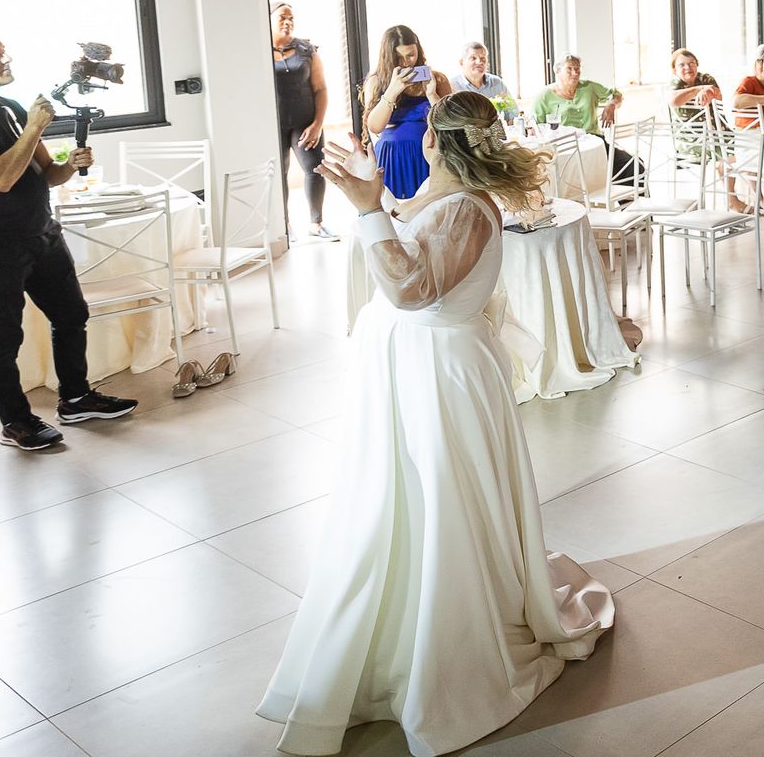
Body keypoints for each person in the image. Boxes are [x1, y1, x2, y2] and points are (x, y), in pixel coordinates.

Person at [258, 93, 611, 755]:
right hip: (418, 369)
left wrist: (367, 210)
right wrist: (379, 202)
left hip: (439, 377)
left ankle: (445, 626)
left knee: (440, 497)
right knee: (405, 499)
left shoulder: (462, 211)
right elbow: (415, 256)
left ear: (435, 144)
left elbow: (411, 289)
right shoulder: (443, 201)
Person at [0, 28, 138, 451]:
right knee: (5, 333)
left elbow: (46, 173)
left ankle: (76, 398)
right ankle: (16, 422)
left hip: (41, 232)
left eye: (4, 50)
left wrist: (68, 161)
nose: (6, 58)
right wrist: (36, 127)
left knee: (72, 313)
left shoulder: (12, 107)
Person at [360, 24, 451, 200]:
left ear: (419, 51)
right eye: (398, 57)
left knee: (432, 211)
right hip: (393, 156)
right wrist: (392, 91)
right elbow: (375, 127)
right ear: (388, 57)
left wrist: (431, 95)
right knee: (395, 212)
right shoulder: (376, 81)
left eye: (411, 55)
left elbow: (452, 121)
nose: (406, 62)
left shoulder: (437, 78)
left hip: (429, 152)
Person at [270, 2, 336, 241]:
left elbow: (320, 88)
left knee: (315, 168)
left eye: (291, 18)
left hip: (305, 122)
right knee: (279, 173)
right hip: (273, 125)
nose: (288, 22)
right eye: (282, 18)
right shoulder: (258, 50)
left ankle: (316, 223)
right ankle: (285, 226)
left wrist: (317, 124)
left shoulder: (307, 50)